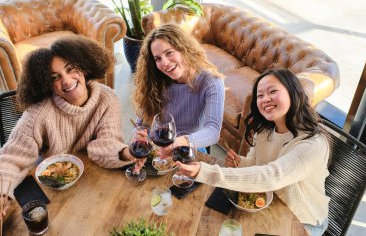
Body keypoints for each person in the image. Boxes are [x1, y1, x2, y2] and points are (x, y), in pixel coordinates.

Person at [0, 35, 142, 219]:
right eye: (55, 78)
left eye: (70, 69)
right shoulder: (38, 114)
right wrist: (2, 193)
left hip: (97, 185)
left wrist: (126, 153)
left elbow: (107, 143)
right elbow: (11, 158)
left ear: (83, 66)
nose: (66, 81)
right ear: (47, 85)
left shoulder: (107, 99)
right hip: (56, 193)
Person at [177, 69, 330, 236]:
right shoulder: (265, 130)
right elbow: (256, 161)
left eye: (272, 91)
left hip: (303, 221)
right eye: (260, 95)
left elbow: (271, 176)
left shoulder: (313, 144)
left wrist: (204, 171)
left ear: (293, 93)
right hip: (269, 205)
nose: (265, 99)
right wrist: (241, 162)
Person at [132, 24, 225, 154]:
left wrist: (180, 142)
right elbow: (142, 123)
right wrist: (138, 133)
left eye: (169, 53)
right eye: (158, 59)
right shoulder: (156, 79)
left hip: (190, 148)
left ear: (184, 49)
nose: (164, 63)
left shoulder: (211, 82)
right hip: (159, 146)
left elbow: (213, 131)